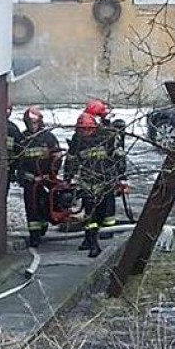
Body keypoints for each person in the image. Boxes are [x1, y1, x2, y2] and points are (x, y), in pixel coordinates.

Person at [64, 113, 122, 258]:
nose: (84, 133)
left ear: (94, 127)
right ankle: (93, 244)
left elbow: (118, 158)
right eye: (81, 130)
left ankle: (90, 240)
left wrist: (121, 177)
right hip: (87, 183)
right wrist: (68, 178)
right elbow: (71, 161)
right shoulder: (77, 141)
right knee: (90, 215)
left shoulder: (106, 137)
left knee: (102, 214)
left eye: (86, 129)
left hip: (105, 183)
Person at [18, 107, 61, 248]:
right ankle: (35, 236)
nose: (32, 126)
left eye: (34, 123)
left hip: (47, 179)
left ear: (40, 122)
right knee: (31, 207)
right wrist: (27, 177)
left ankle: (44, 225)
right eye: (29, 123)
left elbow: (57, 156)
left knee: (47, 203)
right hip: (30, 181)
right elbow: (18, 162)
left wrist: (52, 173)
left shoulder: (48, 137)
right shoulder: (22, 139)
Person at [6, 105, 24, 185]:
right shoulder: (13, 128)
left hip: (7, 169)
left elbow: (19, 150)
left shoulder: (12, 129)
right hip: (7, 169)